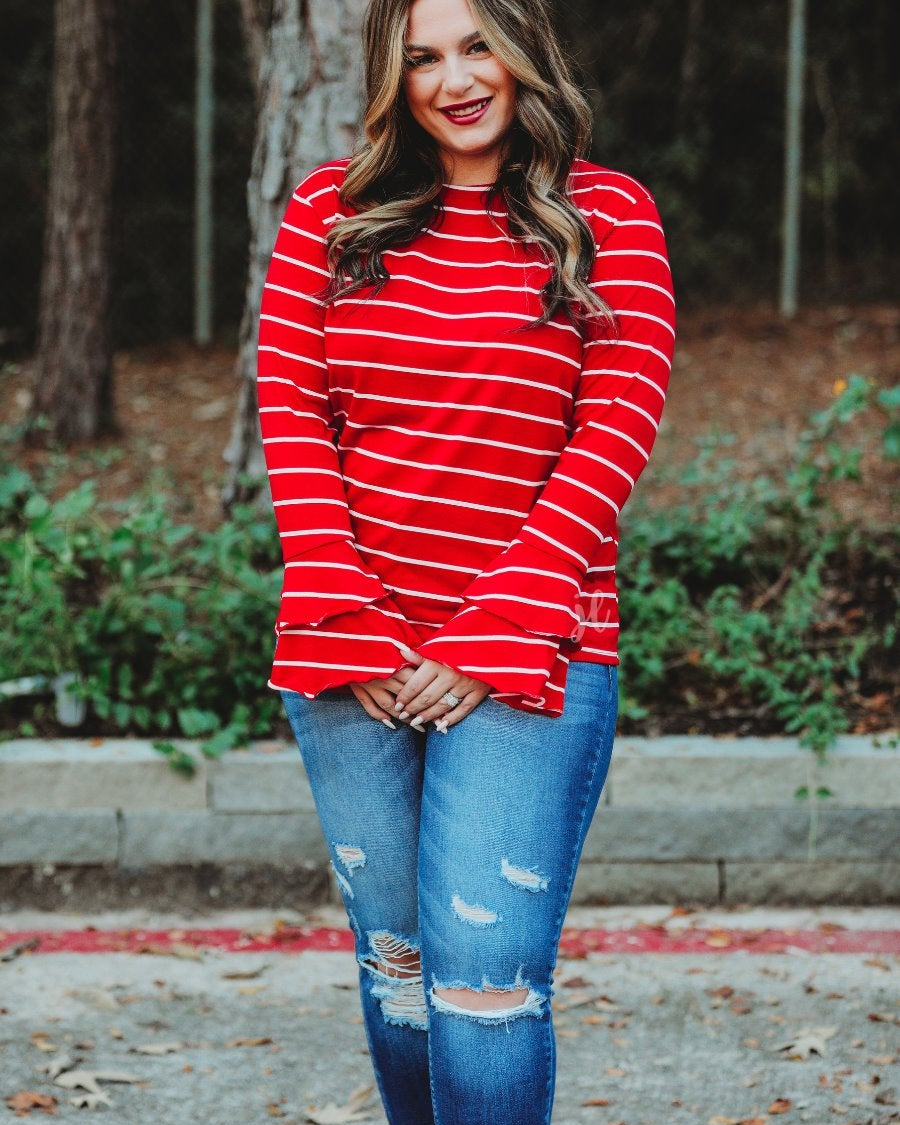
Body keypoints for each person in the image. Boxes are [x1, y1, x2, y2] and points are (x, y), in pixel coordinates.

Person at [256, 0, 675, 1120]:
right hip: (354, 657)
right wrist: (348, 619)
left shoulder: (608, 214)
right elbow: (293, 418)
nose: (454, 80)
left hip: (531, 654)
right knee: (397, 975)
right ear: (394, 81)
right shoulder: (328, 214)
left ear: (525, 48)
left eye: (476, 45)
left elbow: (614, 432)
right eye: (423, 59)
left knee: (484, 989)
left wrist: (492, 636)